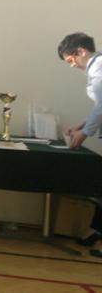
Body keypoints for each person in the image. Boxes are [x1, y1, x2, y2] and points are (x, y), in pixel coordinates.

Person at [56, 32, 102, 258]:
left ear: (81, 51)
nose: (72, 65)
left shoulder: (99, 67)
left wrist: (85, 132)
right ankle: (96, 232)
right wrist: (82, 124)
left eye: (71, 60)